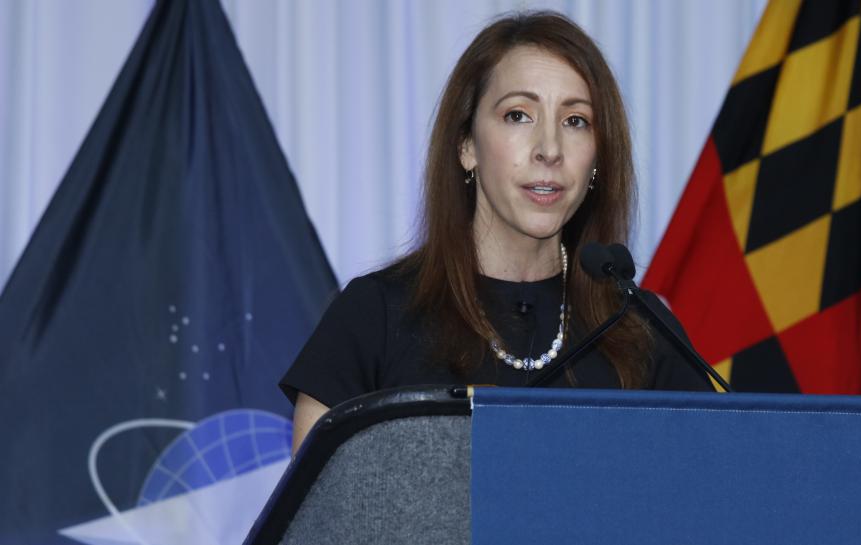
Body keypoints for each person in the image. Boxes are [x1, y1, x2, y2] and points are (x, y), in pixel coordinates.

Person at [280, 10, 712, 453]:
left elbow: (715, 492)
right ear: (467, 145)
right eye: (518, 115)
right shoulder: (374, 317)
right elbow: (317, 518)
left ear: (597, 160)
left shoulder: (638, 327)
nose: (549, 149)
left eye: (576, 120)